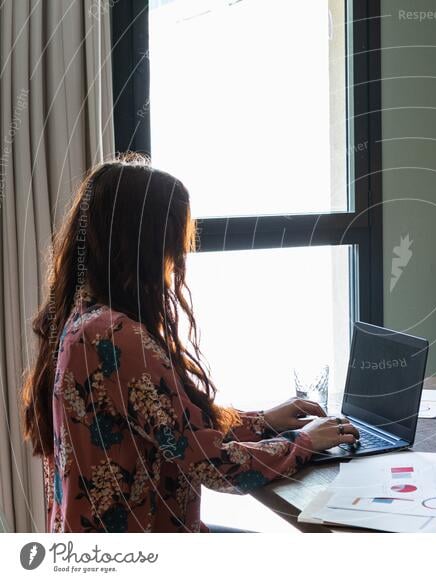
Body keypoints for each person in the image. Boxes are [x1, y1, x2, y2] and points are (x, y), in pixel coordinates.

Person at [20, 155, 359, 533]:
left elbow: (177, 426)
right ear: (144, 245)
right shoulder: (115, 336)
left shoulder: (84, 317)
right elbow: (214, 465)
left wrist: (264, 422)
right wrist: (303, 443)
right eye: (173, 242)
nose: (177, 258)